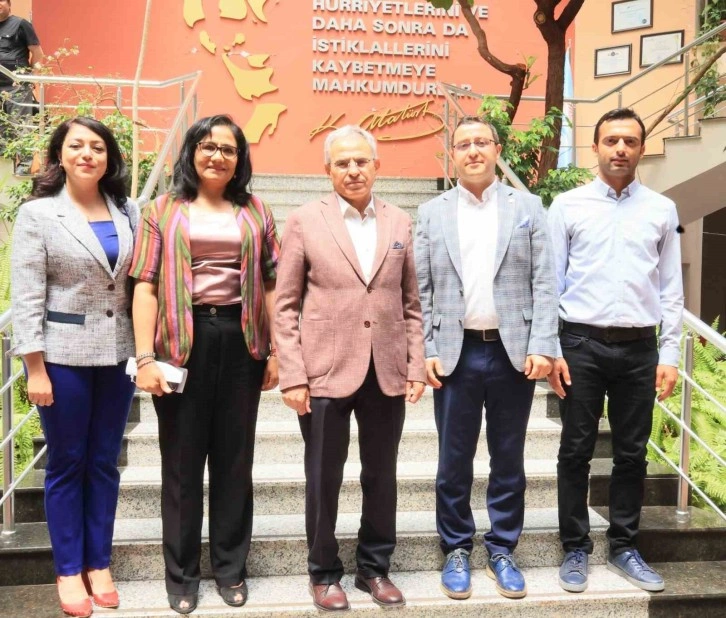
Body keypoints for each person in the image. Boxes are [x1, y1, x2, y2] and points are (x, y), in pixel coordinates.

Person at [130, 114, 279, 615]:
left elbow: (273, 283)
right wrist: (145, 357)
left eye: (228, 149)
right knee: (181, 463)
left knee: (235, 461)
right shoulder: (162, 209)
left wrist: (278, 351)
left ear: (240, 159)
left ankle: (231, 568)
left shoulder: (256, 209)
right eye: (208, 146)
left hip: (241, 339)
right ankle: (182, 576)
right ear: (192, 151)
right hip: (181, 341)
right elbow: (145, 286)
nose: (217, 156)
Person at [275, 125, 426, 612]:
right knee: (324, 477)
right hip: (324, 370)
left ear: (377, 166)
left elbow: (411, 303)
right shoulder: (304, 220)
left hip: (385, 368)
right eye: (343, 162)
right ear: (328, 169)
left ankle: (374, 568)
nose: (353, 170)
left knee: (382, 474)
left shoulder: (399, 221)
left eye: (362, 161)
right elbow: (284, 305)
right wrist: (293, 375)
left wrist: (415, 365)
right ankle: (323, 573)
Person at [414, 115, 558, 600]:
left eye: (482, 142)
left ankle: (502, 548)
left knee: (508, 457)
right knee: (453, 460)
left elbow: (545, 281)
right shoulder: (431, 212)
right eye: (463, 144)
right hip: (454, 355)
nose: (473, 151)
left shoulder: (528, 206)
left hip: (512, 353)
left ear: (497, 150)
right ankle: (456, 548)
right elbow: (421, 290)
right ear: (452, 154)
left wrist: (542, 344)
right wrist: (426, 349)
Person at [548, 108, 683, 594]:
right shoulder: (568, 205)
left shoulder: (662, 209)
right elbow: (550, 282)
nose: (620, 149)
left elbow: (671, 287)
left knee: (631, 453)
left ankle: (624, 545)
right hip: (580, 344)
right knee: (575, 450)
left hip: (640, 349)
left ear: (641, 148)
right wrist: (551, 348)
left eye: (629, 141)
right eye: (611, 140)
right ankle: (575, 547)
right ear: (596, 147)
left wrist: (669, 354)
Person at [10, 116, 138, 618]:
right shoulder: (39, 214)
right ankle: (67, 569)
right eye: (77, 145)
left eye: (98, 147)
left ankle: (98, 564)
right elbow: (27, 295)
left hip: (118, 355)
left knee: (104, 461)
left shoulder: (127, 209)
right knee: (67, 461)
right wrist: (34, 368)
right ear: (60, 155)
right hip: (62, 357)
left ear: (109, 158)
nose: (88, 154)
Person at [0, 0, 44, 174]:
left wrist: (30, 77)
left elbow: (38, 54)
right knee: (2, 127)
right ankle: (5, 164)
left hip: (16, 86)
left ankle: (25, 166)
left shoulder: (21, 24)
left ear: (9, 4)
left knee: (21, 125)